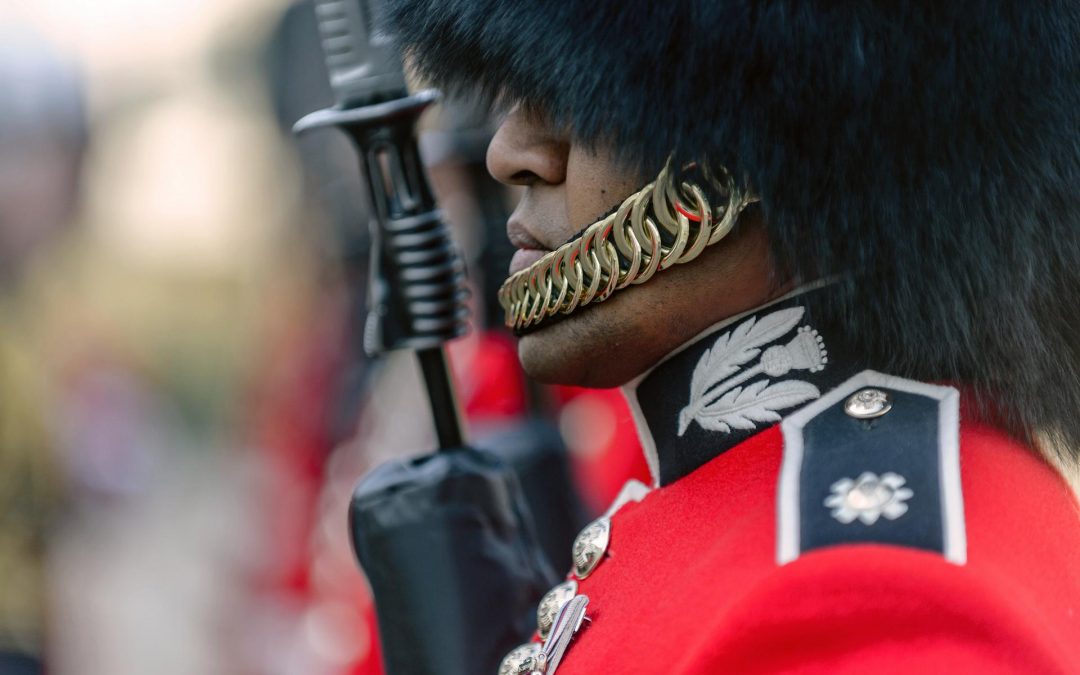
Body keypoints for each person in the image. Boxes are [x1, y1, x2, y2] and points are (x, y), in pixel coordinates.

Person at [381, 1, 1080, 673]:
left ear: (766, 134)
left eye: (579, 85)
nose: (511, 153)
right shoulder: (727, 496)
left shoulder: (863, 589)